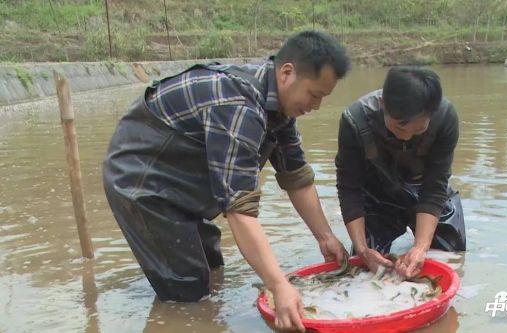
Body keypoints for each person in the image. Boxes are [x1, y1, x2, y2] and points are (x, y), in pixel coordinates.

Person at [102, 30, 350, 332]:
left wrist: (326, 237)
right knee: (188, 292)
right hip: (142, 182)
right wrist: (278, 285)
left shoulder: (278, 107)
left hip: (182, 182)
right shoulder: (239, 105)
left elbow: (295, 175)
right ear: (287, 73)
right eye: (315, 95)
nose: (316, 106)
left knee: (214, 269)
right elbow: (240, 209)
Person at [335, 66, 466, 280]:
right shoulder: (355, 120)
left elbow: (435, 187)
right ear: (383, 104)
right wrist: (362, 249)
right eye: (399, 128)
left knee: (448, 262)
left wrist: (421, 248)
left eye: (418, 130)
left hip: (425, 190)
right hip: (377, 195)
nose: (406, 138)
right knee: (368, 269)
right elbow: (349, 188)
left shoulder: (445, 117)